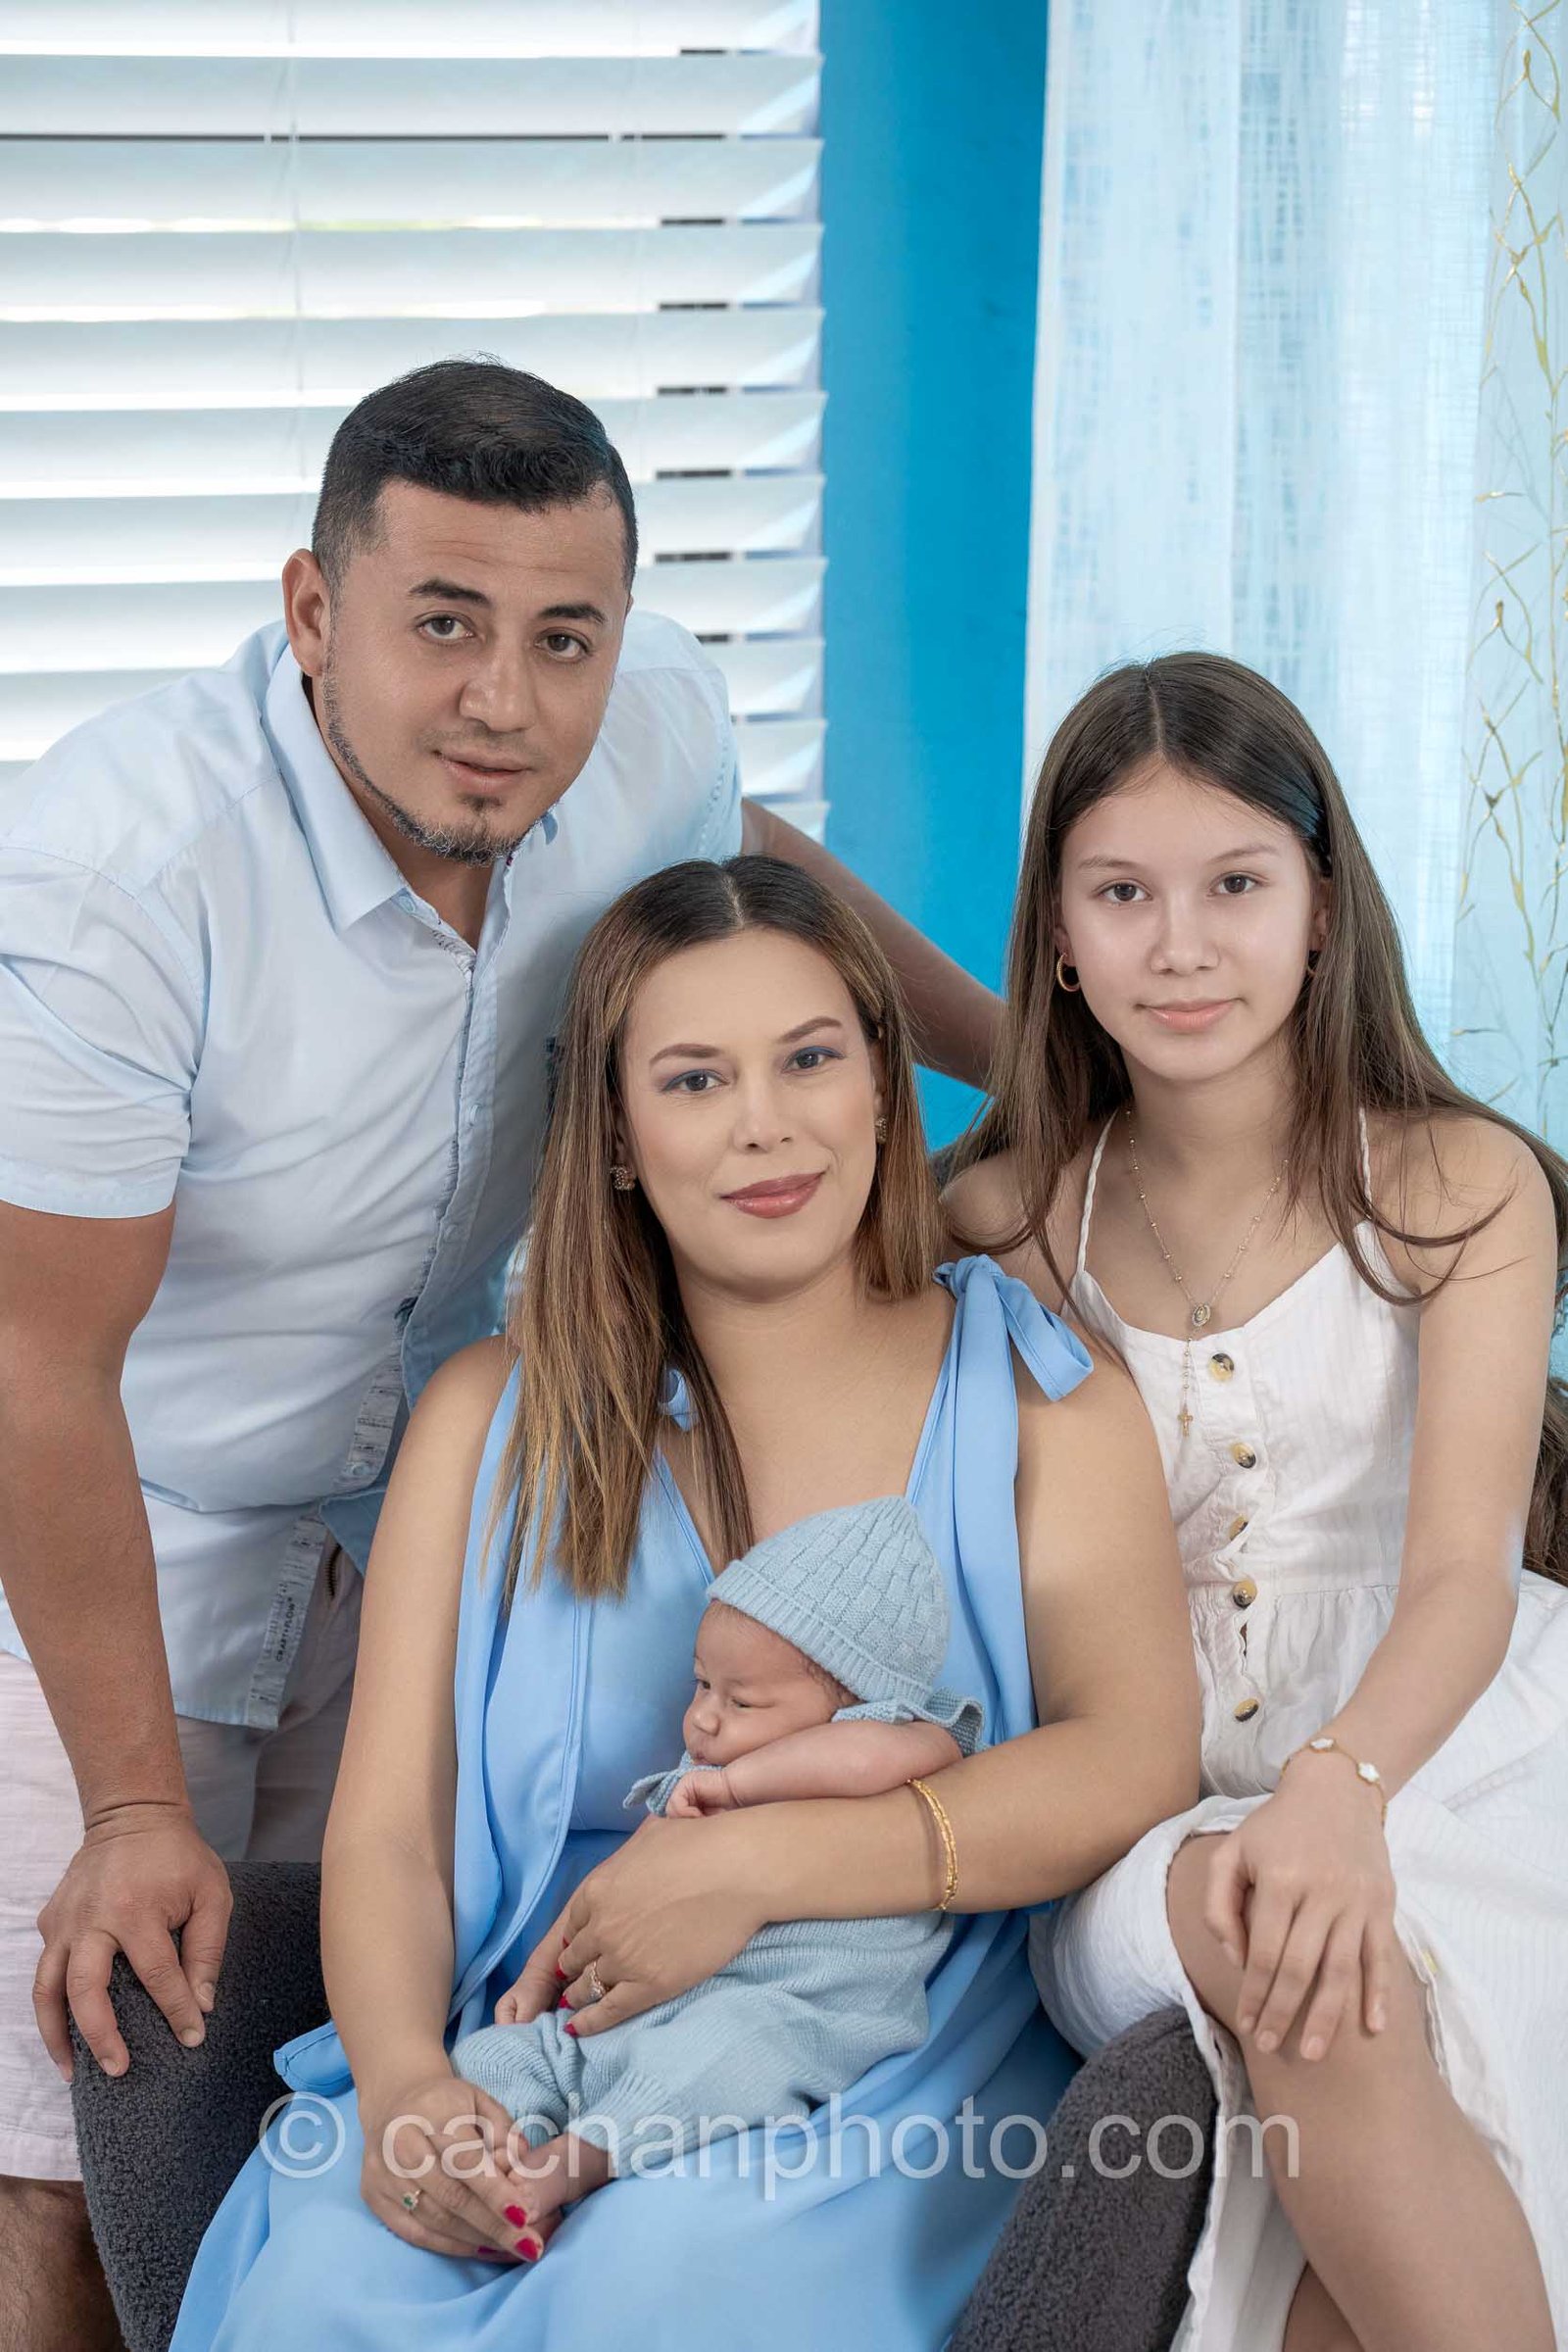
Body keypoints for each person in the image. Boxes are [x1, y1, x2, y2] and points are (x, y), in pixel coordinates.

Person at [0, 359, 1001, 2352]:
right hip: (124, 1522)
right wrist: (127, 1806)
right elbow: (38, 1367)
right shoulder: (117, 871)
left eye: (564, 639)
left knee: (340, 2043)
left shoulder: (647, 729)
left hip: (409, 1523)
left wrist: (1029, 1074)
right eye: (441, 625)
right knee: (59, 2145)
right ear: (313, 610)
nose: (506, 703)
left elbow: (745, 863)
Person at [170, 854, 1199, 2348]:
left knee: (656, 2286)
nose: (765, 1124)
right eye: (696, 1079)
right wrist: (405, 2091)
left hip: (877, 2045)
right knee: (329, 2295)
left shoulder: (1040, 1392)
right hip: (530, 2045)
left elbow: (1133, 1758)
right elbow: (391, 1830)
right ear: (617, 1135)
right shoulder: (487, 1417)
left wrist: (759, 1865)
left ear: (882, 1082)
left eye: (811, 1059)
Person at [946, 654, 1568, 2352]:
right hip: (1142, 1814)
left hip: (1452, 1752)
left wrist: (1340, 1793)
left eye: (1235, 885)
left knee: (1352, 2138)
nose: (1181, 947)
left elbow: (1463, 1575)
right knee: (1272, 1926)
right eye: (1122, 894)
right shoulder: (1003, 1226)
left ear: (1320, 908)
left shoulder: (1454, 1186)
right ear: (1057, 937)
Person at [452, 1494, 983, 2173]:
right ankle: (508, 2161)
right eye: (702, 1684)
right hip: (640, 2015)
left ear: (861, 1706)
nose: (704, 1717)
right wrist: (537, 1976)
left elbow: (869, 1757)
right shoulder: (697, 1777)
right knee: (490, 2057)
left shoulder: (896, 1745)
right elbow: (613, 1887)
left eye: (741, 1701)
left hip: (783, 2012)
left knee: (725, 2054)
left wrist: (736, 1786)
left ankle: (569, 2169)